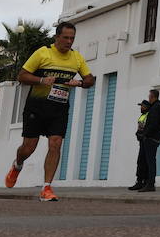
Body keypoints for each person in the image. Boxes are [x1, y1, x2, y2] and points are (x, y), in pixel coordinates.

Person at [5, 23, 94, 202]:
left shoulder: (76, 58)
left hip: (59, 108)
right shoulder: (43, 53)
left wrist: (81, 83)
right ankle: (18, 164)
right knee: (29, 147)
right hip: (36, 106)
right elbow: (22, 76)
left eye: (72, 38)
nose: (69, 42)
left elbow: (90, 79)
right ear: (57, 37)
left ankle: (46, 188)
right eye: (66, 38)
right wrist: (42, 79)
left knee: (55, 144)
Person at [130, 89, 160, 193]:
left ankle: (150, 184)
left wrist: (144, 134)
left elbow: (153, 124)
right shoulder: (155, 107)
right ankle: (144, 182)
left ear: (152, 97)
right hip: (150, 138)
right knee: (145, 161)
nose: (149, 98)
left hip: (151, 138)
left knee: (150, 161)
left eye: (149, 96)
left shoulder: (156, 107)